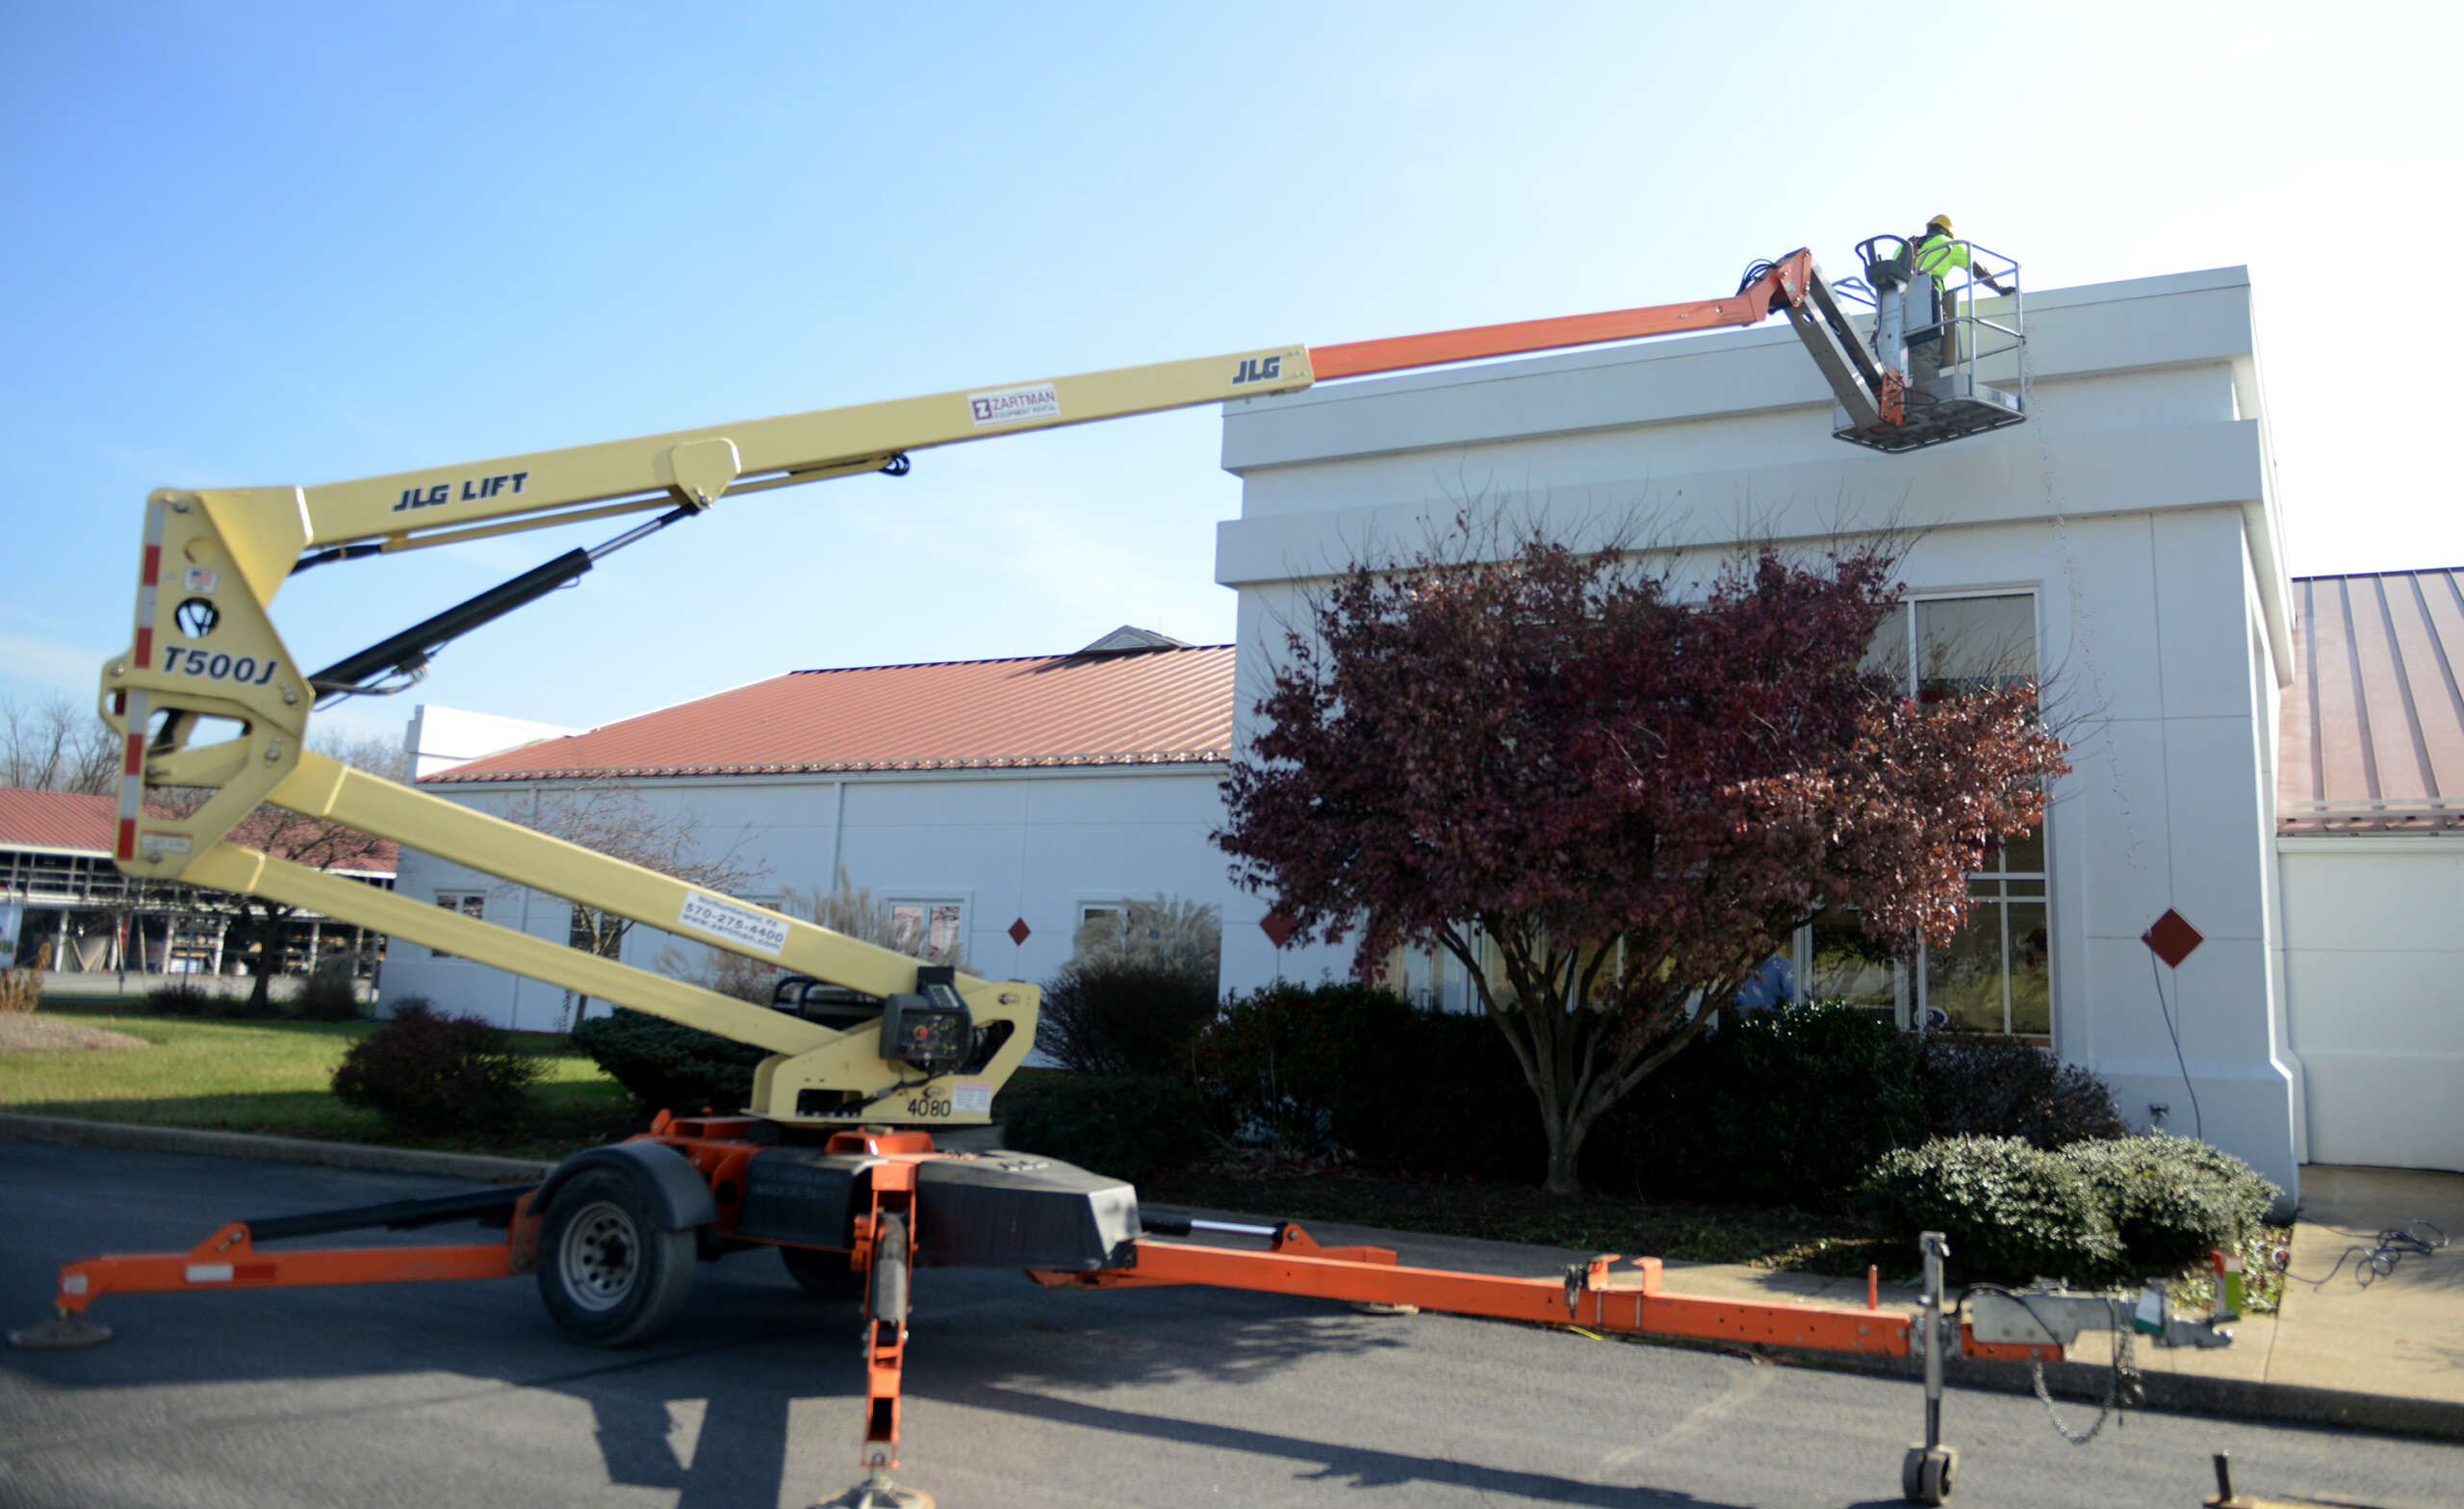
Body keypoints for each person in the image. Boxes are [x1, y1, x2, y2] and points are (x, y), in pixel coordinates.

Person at [1907, 214, 2010, 387]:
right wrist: (1999, 288)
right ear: (1948, 231)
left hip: (1894, 301)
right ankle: (1925, 406)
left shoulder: (1908, 245)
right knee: (1926, 353)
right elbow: (1977, 268)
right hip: (1924, 295)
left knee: (1899, 352)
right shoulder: (1948, 243)